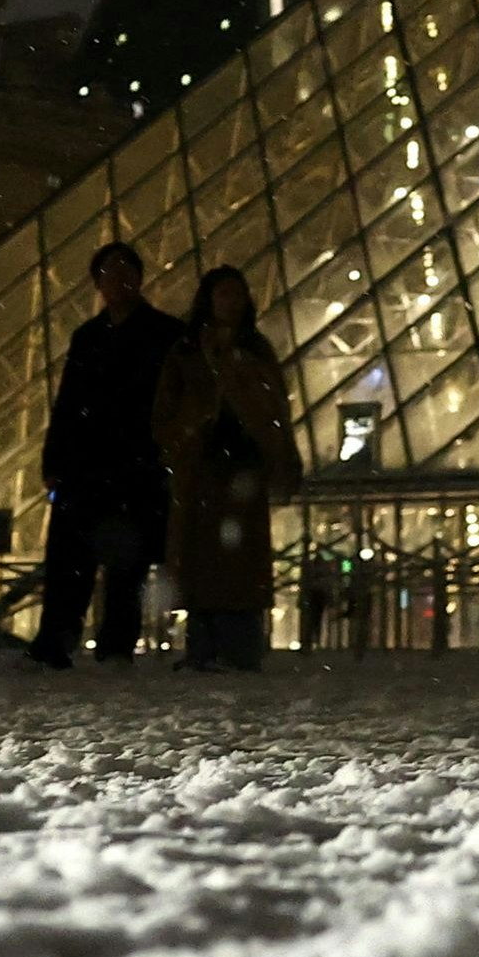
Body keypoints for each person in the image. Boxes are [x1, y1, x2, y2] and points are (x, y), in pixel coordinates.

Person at [31, 242, 187, 669]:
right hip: (86, 465)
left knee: (127, 563)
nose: (119, 280)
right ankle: (57, 642)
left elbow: (176, 404)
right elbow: (67, 404)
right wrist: (53, 462)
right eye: (109, 273)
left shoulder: (167, 334)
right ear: (98, 283)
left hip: (136, 465)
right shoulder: (87, 337)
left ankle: (115, 645)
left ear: (139, 278)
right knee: (70, 560)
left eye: (125, 271)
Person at [153, 266, 303, 671]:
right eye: (224, 294)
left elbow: (274, 405)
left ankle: (237, 648)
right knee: (205, 559)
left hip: (242, 463)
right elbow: (167, 409)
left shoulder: (254, 348)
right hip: (202, 463)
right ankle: (206, 647)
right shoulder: (188, 350)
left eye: (237, 294)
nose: (232, 302)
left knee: (237, 561)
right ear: (209, 300)